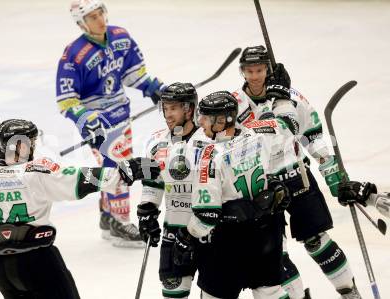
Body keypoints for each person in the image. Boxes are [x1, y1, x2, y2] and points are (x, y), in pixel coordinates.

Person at [0, 119, 160, 299]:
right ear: (22, 145)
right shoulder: (36, 173)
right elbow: (78, 179)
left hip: (1, 266)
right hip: (38, 261)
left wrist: (3, 165)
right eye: (31, 141)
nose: (34, 145)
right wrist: (123, 172)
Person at [232, 45, 361, 299]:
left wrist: (331, 171)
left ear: (268, 69)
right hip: (262, 187)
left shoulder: (291, 97)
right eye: (250, 70)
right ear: (242, 72)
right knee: (274, 253)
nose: (255, 76)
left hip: (296, 175)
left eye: (260, 69)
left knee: (316, 240)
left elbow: (312, 135)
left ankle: (350, 292)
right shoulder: (235, 105)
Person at [56, 0, 165, 247]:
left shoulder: (120, 37)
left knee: (112, 165)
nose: (99, 20)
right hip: (97, 123)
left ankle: (107, 216)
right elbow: (66, 100)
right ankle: (119, 220)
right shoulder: (73, 54)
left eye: (99, 14)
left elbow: (132, 74)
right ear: (81, 23)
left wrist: (153, 86)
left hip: (121, 116)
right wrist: (87, 119)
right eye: (91, 17)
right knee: (119, 166)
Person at [176, 91, 296, 299]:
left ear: (222, 121)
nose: (200, 121)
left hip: (230, 240)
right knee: (271, 292)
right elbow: (288, 125)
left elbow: (207, 216)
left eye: (206, 117)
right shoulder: (259, 130)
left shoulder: (210, 157)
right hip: (267, 230)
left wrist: (187, 236)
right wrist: (282, 98)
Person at [137, 82, 211, 298]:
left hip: (209, 230)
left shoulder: (210, 139)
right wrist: (147, 210)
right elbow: (152, 182)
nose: (168, 115)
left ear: (189, 109)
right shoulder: (154, 141)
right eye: (165, 108)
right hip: (174, 229)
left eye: (174, 108)